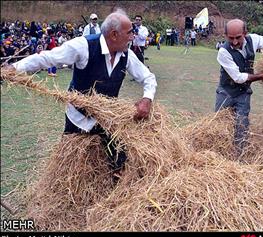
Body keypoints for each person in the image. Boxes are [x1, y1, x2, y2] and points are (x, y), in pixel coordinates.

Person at [7, 9, 157, 172]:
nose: (132, 37)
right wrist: (14, 69)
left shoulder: (126, 55)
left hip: (107, 120)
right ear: (114, 35)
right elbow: (46, 58)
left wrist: (146, 99)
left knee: (119, 164)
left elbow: (148, 77)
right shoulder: (83, 46)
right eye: (129, 33)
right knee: (69, 168)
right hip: (78, 118)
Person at [215, 19, 263, 156]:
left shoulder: (253, 40)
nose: (234, 42)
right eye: (230, 38)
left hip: (243, 93)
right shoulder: (223, 52)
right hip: (226, 92)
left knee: (241, 124)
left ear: (245, 33)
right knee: (219, 124)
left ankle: (239, 155)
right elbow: (238, 77)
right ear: (225, 35)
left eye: (238, 37)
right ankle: (219, 154)